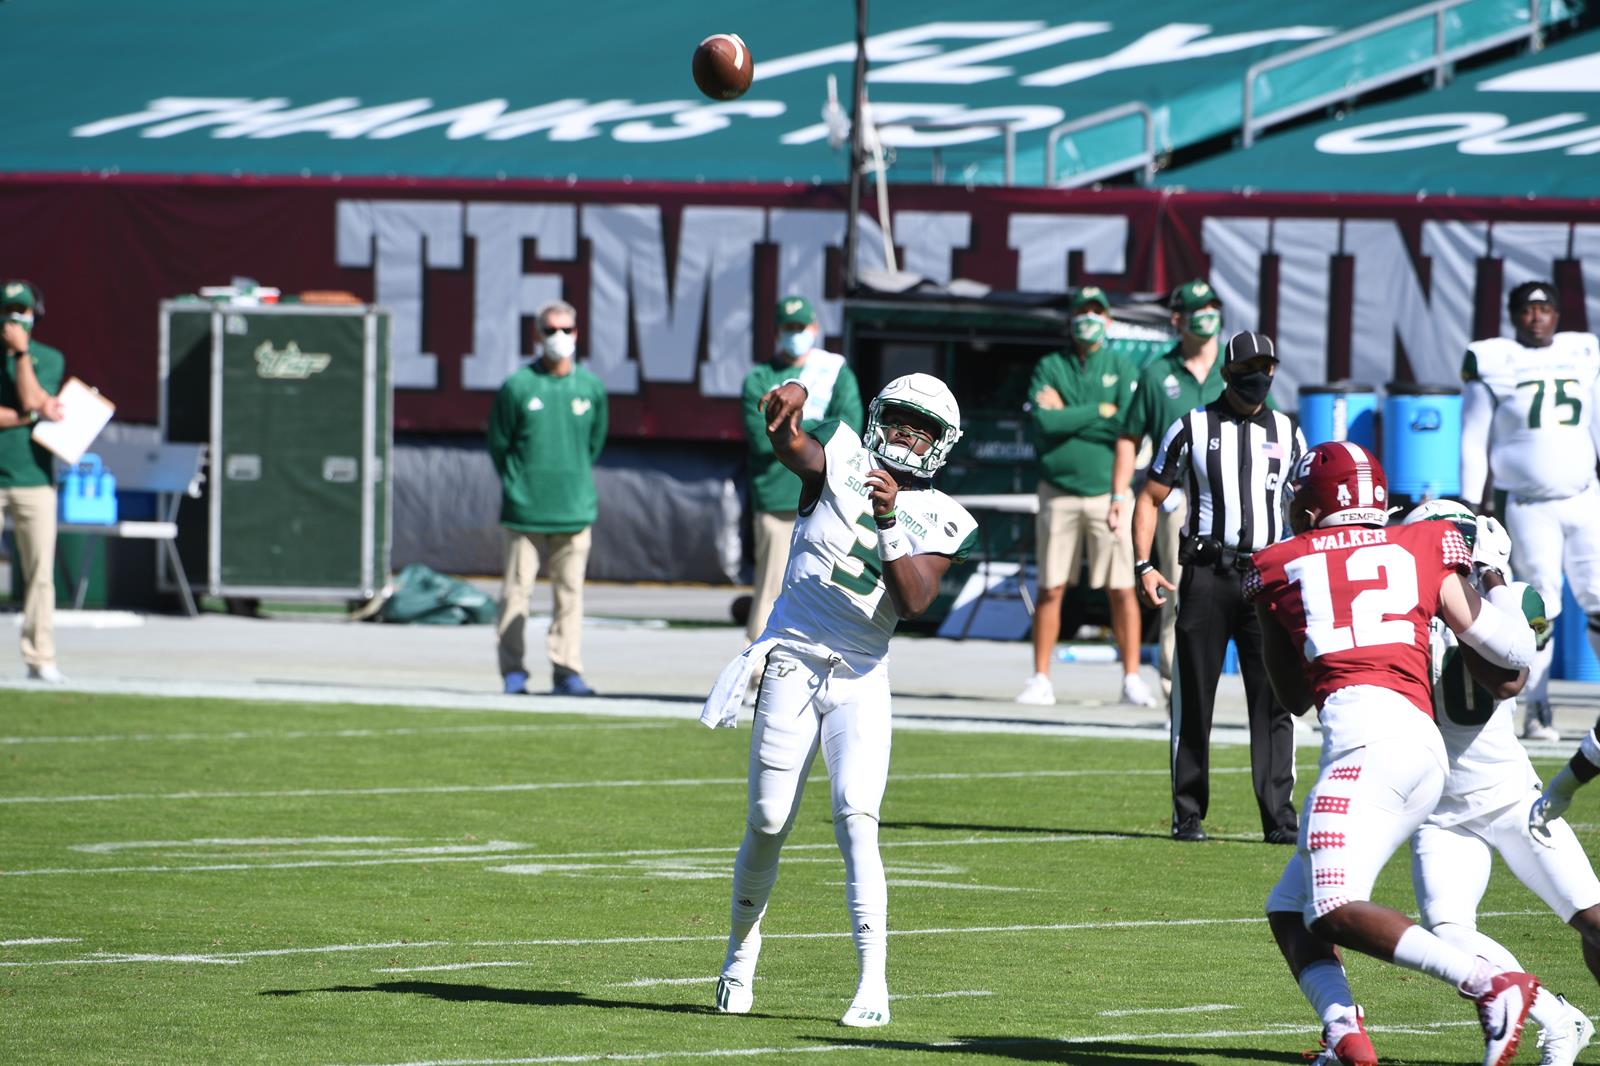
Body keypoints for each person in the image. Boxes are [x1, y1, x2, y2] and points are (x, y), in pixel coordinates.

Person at [1248, 441, 1544, 1066]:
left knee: (1329, 908)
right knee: (1289, 908)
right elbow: (1511, 654)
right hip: (1421, 751)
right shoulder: (1424, 542)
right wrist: (1490, 584)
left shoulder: (1277, 563)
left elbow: (1293, 697)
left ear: (1306, 508)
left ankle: (1492, 985)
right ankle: (1345, 1036)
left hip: (1364, 746)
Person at [699, 372, 976, 1028]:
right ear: (881, 417)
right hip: (792, 659)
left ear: (941, 444)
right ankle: (740, 955)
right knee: (767, 821)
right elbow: (794, 447)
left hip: (860, 674)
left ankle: (873, 983)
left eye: (922, 429)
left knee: (858, 818)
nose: (907, 436)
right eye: (901, 421)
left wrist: (888, 521)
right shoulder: (844, 457)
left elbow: (912, 601)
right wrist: (785, 409)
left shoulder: (943, 514)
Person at [1398, 500, 1596, 1064]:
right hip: (1439, 808)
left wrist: (1491, 579)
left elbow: (1511, 672)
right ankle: (1559, 1020)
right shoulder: (1402, 609)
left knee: (1592, 917)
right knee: (1449, 932)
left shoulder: (1512, 601)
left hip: (1512, 796)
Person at [1132, 331, 1302, 844]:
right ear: (1228, 374)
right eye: (1250, 367)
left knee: (1274, 698)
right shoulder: (1191, 425)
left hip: (1267, 576)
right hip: (1208, 573)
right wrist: (1143, 564)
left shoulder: (1290, 431)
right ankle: (1188, 812)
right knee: (1194, 695)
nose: (1260, 377)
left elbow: (1304, 502)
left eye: (1268, 367)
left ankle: (1279, 818)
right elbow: (1150, 497)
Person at [1460, 280, 1600, 741]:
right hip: (1527, 503)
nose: (1536, 317)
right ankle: (1537, 706)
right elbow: (1473, 436)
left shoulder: (1584, 351)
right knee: (1541, 605)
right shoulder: (1494, 360)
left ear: (1558, 314)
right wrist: (1470, 499)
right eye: (1527, 309)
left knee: (1598, 598)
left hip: (1584, 495)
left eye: (1544, 309)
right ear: (1513, 316)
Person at [1017, 286, 1153, 709]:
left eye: (1096, 312)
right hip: (1057, 492)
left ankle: (1131, 678)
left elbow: (1126, 430)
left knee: (1121, 589)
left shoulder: (1122, 365)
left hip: (1109, 494)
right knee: (1051, 588)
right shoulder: (1050, 365)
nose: (1088, 318)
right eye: (1082, 312)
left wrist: (1073, 416)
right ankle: (1041, 678)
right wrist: (1100, 411)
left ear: (1108, 320)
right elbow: (1044, 423)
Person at [1110, 278, 1226, 698]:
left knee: (1247, 596)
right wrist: (1120, 494)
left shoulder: (1235, 367)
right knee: (1182, 593)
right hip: (1177, 497)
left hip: (1232, 494)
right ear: (1178, 319)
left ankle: (1266, 700)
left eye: (1212, 306)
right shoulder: (1158, 372)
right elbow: (1130, 435)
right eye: (1198, 308)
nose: (1207, 315)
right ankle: (1177, 691)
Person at [488, 299, 608, 697]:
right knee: (515, 594)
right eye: (550, 330)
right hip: (525, 511)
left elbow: (593, 443)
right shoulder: (518, 386)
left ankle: (567, 670)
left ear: (577, 334)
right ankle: (513, 671)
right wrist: (518, 486)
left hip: (574, 509)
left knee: (569, 596)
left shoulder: (590, 387)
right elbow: (500, 445)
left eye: (566, 330)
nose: (558, 337)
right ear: (537, 335)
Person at [740, 295, 862, 643]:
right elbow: (764, 441)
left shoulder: (835, 372)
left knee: (825, 586)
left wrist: (795, 429)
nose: (795, 334)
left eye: (801, 327)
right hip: (778, 498)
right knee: (771, 588)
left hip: (828, 497)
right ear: (777, 332)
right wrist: (816, 429)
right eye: (788, 328)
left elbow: (849, 431)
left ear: (815, 329)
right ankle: (756, 669)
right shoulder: (760, 378)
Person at [1, 280, 67, 683]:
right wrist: (35, 413)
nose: (14, 320)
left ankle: (40, 657)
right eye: (8, 312)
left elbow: (29, 398)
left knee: (40, 574)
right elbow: (34, 408)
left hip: (33, 477)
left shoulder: (48, 358)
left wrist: (21, 352)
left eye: (21, 312)